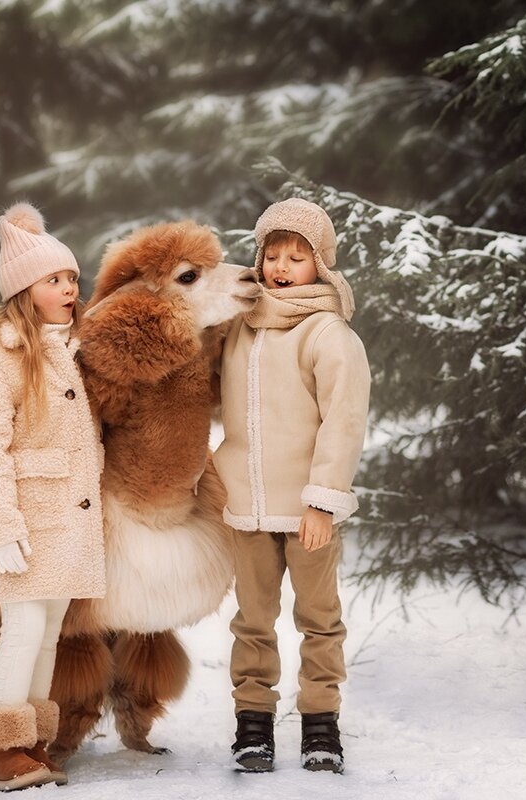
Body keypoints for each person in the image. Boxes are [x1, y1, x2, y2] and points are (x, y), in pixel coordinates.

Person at [212, 197, 371, 775]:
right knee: (252, 621)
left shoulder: (327, 334)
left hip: (308, 511)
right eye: (272, 254)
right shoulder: (240, 326)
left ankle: (320, 724)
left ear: (320, 266)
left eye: (297, 257)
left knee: (318, 619)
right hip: (246, 507)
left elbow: (344, 421)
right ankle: (252, 723)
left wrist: (323, 501)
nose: (281, 266)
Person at [0, 203, 105, 791]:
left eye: (71, 277)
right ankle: (2, 751)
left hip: (66, 521)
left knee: (47, 633)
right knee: (21, 629)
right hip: (24, 519)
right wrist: (1, 527)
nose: (69, 287)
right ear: (25, 289)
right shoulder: (4, 352)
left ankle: (32, 741)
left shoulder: (71, 345)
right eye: (54, 280)